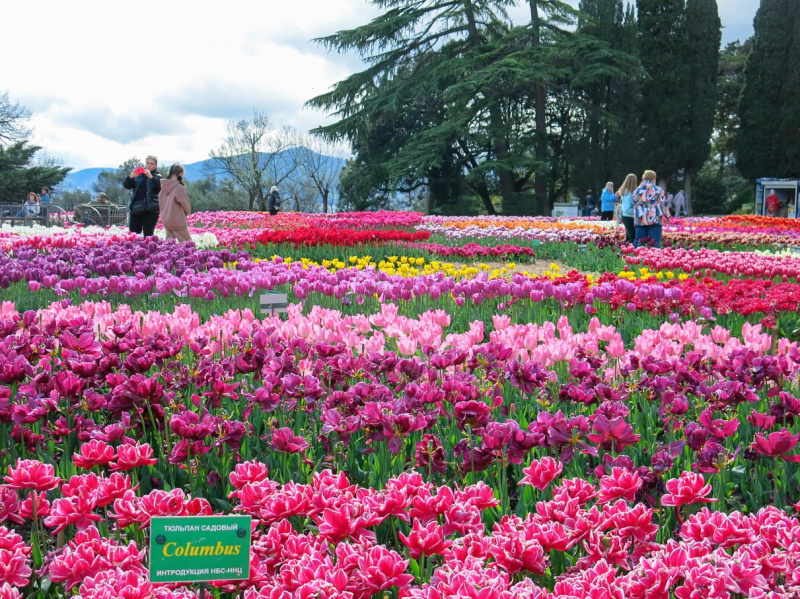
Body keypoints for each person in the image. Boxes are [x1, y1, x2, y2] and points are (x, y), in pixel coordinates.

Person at [123, 155, 162, 236]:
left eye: (152, 163)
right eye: (148, 163)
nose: (149, 165)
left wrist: (151, 177)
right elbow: (127, 186)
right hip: (137, 207)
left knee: (148, 234)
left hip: (151, 209)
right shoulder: (138, 175)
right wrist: (130, 177)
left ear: (155, 166)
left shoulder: (157, 177)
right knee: (133, 234)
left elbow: (160, 188)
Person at [633, 169, 669, 248]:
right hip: (655, 219)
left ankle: (636, 254)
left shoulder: (637, 190)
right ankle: (654, 255)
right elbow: (664, 204)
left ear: (643, 178)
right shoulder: (658, 190)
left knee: (639, 241)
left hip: (640, 218)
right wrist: (667, 216)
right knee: (655, 241)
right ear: (654, 178)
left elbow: (634, 203)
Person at [158, 164, 192, 242]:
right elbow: (185, 204)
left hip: (166, 220)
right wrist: (187, 212)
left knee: (169, 244)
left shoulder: (163, 188)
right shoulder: (178, 187)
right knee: (187, 243)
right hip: (178, 220)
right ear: (180, 173)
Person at [617, 173, 638, 244]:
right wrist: (637, 212)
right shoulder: (629, 194)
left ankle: (626, 249)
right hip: (630, 216)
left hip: (625, 216)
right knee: (633, 237)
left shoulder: (624, 192)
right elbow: (628, 208)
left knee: (629, 238)